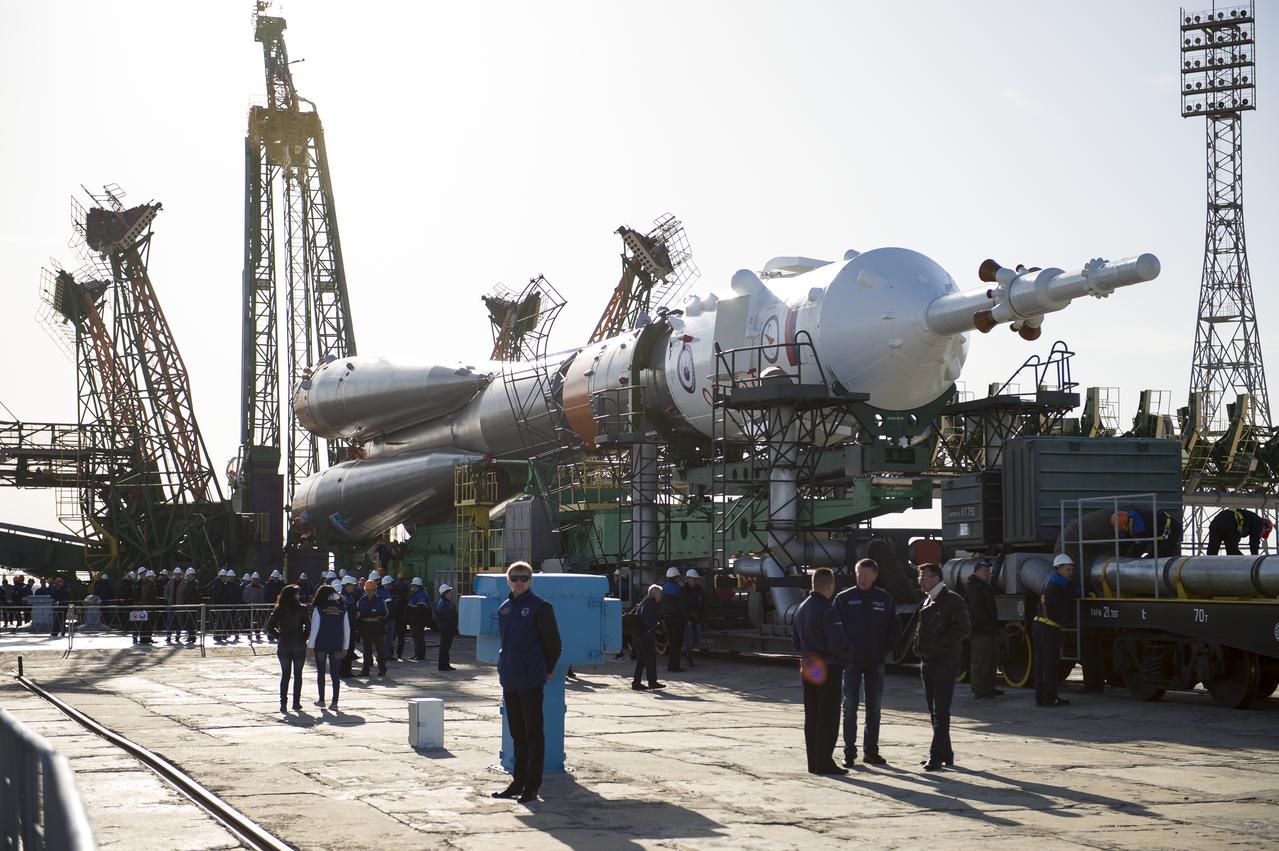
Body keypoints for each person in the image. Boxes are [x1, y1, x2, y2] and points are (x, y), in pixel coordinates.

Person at [491, 562, 562, 805]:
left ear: (531, 581)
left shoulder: (540, 608)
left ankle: (532, 786)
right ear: (508, 581)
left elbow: (553, 644)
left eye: (524, 578)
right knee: (517, 735)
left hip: (530, 680)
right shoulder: (505, 608)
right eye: (515, 577)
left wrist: (548, 670)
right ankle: (517, 782)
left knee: (533, 734)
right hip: (510, 679)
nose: (519, 581)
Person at [830, 558, 901, 767]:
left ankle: (871, 751)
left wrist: (884, 649)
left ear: (875, 576)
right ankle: (849, 752)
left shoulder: (885, 599)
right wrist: (843, 652)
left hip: (875, 662)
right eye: (859, 574)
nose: (862, 579)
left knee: (874, 708)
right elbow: (833, 627)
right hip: (851, 663)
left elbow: (895, 628)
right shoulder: (844, 598)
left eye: (867, 575)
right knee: (849, 706)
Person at [914, 563, 971, 771]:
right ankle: (946, 752)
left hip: (944, 661)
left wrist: (938, 645)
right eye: (919, 576)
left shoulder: (952, 600)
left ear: (936, 578)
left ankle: (936, 755)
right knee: (933, 709)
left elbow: (964, 628)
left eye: (924, 576)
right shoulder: (928, 599)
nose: (920, 580)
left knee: (941, 710)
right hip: (928, 661)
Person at [794, 568, 847, 775]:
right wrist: (847, 656)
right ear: (831, 586)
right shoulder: (828, 610)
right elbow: (838, 642)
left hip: (808, 664)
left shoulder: (801, 608)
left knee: (813, 714)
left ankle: (814, 762)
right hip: (827, 666)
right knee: (828, 715)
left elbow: (795, 641)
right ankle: (824, 761)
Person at [1034, 553, 1076, 708]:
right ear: (1058, 569)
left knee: (1041, 664)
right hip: (1049, 627)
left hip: (1040, 625)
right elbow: (1073, 594)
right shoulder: (1062, 585)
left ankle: (1040, 698)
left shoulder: (1050, 581)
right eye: (1068, 570)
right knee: (1050, 664)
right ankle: (1050, 699)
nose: (1070, 573)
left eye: (1072, 570)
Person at [964, 559, 1004, 699]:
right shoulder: (975, 587)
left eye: (988, 571)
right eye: (985, 571)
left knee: (991, 660)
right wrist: (988, 624)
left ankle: (989, 687)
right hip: (980, 631)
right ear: (976, 572)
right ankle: (980, 690)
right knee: (980, 661)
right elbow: (977, 609)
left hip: (988, 629)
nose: (988, 574)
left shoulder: (983, 586)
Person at [309, 582, 349, 710]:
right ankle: (334, 702)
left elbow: (314, 628)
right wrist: (345, 646)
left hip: (321, 643)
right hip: (337, 644)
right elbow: (347, 629)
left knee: (321, 673)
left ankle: (321, 700)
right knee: (335, 674)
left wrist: (311, 645)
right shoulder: (342, 608)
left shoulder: (319, 608)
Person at [630, 584, 665, 691]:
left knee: (642, 660)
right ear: (654, 593)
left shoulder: (645, 601)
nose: (661, 596)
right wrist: (650, 629)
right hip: (645, 635)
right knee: (650, 659)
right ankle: (652, 682)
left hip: (641, 635)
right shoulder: (649, 602)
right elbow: (645, 617)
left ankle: (636, 683)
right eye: (660, 593)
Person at [1207, 508, 1273, 555]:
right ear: (1264, 527)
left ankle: (1207, 570)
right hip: (1231, 523)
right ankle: (1245, 569)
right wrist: (1254, 560)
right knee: (1233, 552)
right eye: (1262, 533)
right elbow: (1254, 542)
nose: (1260, 535)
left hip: (1216, 522)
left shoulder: (1250, 517)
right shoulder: (1259, 522)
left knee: (1212, 552)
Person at [357, 579, 389, 677]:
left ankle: (382, 669)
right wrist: (364, 620)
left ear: (375, 590)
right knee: (367, 652)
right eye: (367, 590)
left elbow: (386, 614)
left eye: (371, 590)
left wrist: (376, 618)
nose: (369, 592)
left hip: (377, 629)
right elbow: (358, 615)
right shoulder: (361, 602)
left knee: (380, 651)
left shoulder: (380, 601)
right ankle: (365, 670)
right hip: (366, 630)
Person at [659, 566, 687, 672]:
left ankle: (671, 665)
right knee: (677, 643)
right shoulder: (678, 590)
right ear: (675, 577)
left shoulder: (663, 588)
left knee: (671, 642)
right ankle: (674, 666)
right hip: (677, 619)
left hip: (666, 618)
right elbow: (682, 606)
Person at [682, 569, 706, 667]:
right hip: (689, 620)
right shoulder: (684, 592)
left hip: (697, 619)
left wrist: (701, 617)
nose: (695, 581)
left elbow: (703, 603)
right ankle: (688, 656)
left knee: (697, 639)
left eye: (696, 579)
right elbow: (683, 607)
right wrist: (688, 618)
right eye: (693, 579)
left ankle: (688, 653)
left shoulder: (699, 590)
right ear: (688, 579)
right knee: (689, 640)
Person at [406, 577, 430, 661]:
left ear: (418, 586)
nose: (412, 587)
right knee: (416, 639)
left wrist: (414, 619)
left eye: (413, 585)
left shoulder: (422, 595)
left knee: (419, 638)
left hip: (418, 621)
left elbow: (420, 610)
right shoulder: (415, 594)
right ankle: (417, 654)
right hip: (414, 621)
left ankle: (420, 655)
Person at [435, 584, 458, 671]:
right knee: (444, 647)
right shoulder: (443, 603)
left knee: (446, 647)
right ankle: (442, 666)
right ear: (445, 593)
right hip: (446, 629)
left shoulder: (445, 602)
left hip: (448, 628)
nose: (450, 594)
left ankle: (446, 664)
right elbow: (449, 616)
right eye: (449, 592)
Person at [178, 567, 200, 644]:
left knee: (192, 622)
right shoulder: (189, 584)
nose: (186, 577)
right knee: (188, 622)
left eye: (188, 575)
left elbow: (195, 596)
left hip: (192, 606)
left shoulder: (195, 584)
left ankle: (192, 637)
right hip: (188, 606)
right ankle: (190, 636)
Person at [243, 573, 267, 642]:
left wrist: (261, 606)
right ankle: (249, 634)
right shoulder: (248, 587)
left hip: (259, 608)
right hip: (250, 608)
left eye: (257, 579)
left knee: (258, 622)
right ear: (251, 579)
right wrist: (250, 604)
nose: (255, 580)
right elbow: (245, 597)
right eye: (254, 579)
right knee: (249, 621)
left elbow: (263, 598)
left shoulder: (261, 588)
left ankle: (257, 634)